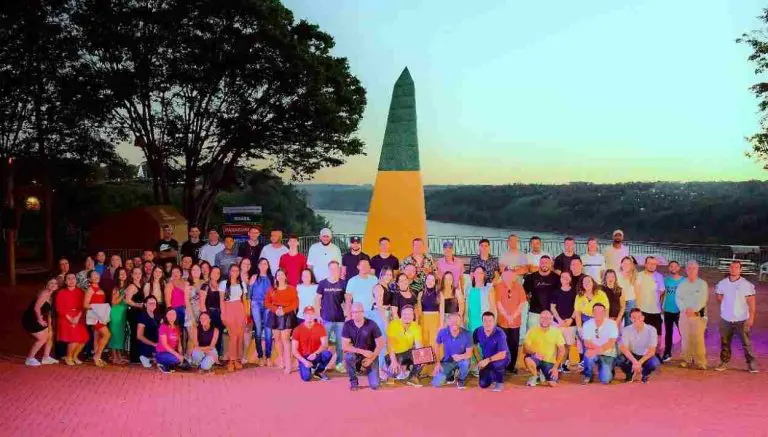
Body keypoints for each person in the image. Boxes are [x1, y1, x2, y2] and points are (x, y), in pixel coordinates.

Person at [714, 260, 758, 373]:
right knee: (725, 342)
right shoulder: (722, 283)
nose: (733, 269)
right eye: (732, 267)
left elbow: (751, 302)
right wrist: (726, 306)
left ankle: (751, 363)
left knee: (746, 343)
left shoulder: (746, 284)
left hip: (742, 319)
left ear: (740, 270)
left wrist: (751, 317)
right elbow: (718, 296)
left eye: (736, 267)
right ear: (729, 269)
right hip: (726, 319)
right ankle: (724, 361)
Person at [342, 302, 385, 391]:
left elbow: (380, 343)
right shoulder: (347, 325)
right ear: (351, 313)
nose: (357, 314)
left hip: (370, 355)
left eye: (360, 311)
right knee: (348, 357)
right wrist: (363, 351)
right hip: (356, 354)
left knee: (375, 385)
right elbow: (345, 346)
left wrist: (371, 359)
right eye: (354, 312)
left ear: (363, 312)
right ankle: (354, 381)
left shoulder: (372, 324)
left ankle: (367, 369)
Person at [675, 261, 709, 370]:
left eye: (694, 268)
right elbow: (678, 298)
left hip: (698, 315)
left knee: (698, 338)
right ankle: (686, 359)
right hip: (684, 315)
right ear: (686, 270)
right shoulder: (682, 284)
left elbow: (703, 299)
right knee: (686, 338)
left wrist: (694, 310)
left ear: (697, 270)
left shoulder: (702, 284)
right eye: (689, 268)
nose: (691, 270)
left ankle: (701, 361)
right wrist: (685, 309)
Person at [315, 261, 348, 371]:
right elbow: (317, 300)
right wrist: (318, 315)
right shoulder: (322, 283)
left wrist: (347, 314)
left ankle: (339, 364)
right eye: (332, 268)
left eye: (336, 268)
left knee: (340, 344)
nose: (334, 270)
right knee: (324, 344)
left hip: (340, 320)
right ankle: (321, 365)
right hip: (326, 319)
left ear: (339, 270)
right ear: (328, 270)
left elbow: (347, 301)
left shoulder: (343, 283)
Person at [265, 269, 299, 374]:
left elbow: (295, 303)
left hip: (287, 315)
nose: (280, 276)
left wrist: (284, 310)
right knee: (277, 339)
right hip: (274, 314)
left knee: (285, 339)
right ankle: (281, 360)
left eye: (282, 274)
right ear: (276, 277)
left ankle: (288, 365)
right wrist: (275, 310)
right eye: (278, 275)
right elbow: (266, 302)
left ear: (285, 277)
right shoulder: (271, 289)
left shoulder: (292, 289)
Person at [495, 268, 526, 374]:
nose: (509, 276)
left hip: (515, 322)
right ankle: (502, 366)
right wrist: (507, 316)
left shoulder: (519, 286)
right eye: (507, 274)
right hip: (502, 321)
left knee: (514, 344)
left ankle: (511, 366)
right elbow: (498, 303)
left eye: (511, 274)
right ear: (503, 275)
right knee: (502, 345)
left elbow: (522, 303)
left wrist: (513, 316)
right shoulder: (499, 286)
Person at [617, 308, 661, 383]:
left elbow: (652, 351)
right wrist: (634, 361)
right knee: (619, 359)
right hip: (632, 355)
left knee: (655, 363)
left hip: (645, 355)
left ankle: (644, 373)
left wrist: (639, 362)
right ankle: (629, 373)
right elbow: (624, 348)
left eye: (639, 317)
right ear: (630, 319)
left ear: (643, 318)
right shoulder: (626, 329)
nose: (636, 319)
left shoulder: (651, 330)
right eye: (633, 317)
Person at [523, 310, 565, 387]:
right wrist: (534, 353)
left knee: (553, 384)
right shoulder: (532, 331)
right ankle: (535, 376)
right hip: (536, 359)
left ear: (551, 319)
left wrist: (555, 367)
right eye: (542, 317)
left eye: (547, 318)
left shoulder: (557, 332)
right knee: (528, 359)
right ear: (539, 319)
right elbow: (525, 348)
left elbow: (562, 350)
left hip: (549, 362)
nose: (545, 320)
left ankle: (543, 374)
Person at [22, 278, 59, 366]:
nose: (53, 285)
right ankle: (30, 358)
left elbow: (49, 312)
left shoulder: (51, 295)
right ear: (46, 285)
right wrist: (40, 320)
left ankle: (46, 357)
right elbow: (36, 308)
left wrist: (50, 326)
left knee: (50, 335)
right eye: (51, 283)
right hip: (31, 319)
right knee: (42, 338)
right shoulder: (44, 293)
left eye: (55, 283)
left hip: (37, 317)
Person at [431, 313, 474, 389]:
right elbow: (436, 346)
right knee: (436, 383)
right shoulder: (442, 332)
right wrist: (437, 363)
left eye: (457, 320)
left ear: (460, 321)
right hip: (448, 361)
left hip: (462, 360)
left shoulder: (467, 334)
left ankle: (461, 379)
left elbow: (469, 354)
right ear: (448, 322)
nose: (454, 323)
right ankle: (451, 375)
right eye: (452, 321)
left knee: (465, 363)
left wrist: (460, 357)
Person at [384, 305, 424, 386]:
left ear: (413, 316)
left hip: (407, 353)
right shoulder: (393, 324)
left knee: (423, 355)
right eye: (405, 314)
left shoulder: (416, 327)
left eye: (409, 314)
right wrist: (393, 361)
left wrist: (422, 357)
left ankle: (412, 377)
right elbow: (389, 345)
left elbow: (418, 345)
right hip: (393, 354)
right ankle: (390, 369)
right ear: (401, 314)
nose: (407, 316)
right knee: (394, 373)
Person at [292, 306, 333, 382]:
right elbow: (294, 350)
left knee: (327, 354)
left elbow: (325, 345)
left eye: (311, 314)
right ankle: (307, 367)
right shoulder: (297, 329)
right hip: (304, 357)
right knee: (306, 378)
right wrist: (304, 361)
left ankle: (319, 371)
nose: (309, 316)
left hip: (316, 354)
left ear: (314, 315)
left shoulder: (320, 327)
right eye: (307, 314)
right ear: (304, 315)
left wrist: (316, 353)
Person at [581, 303, 619, 384]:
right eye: (596, 311)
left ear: (604, 312)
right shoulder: (587, 324)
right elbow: (586, 342)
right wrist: (596, 350)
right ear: (592, 312)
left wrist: (597, 350)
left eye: (601, 312)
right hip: (593, 350)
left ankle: (608, 368)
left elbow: (612, 342)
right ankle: (588, 375)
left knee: (606, 380)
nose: (598, 313)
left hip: (607, 352)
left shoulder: (612, 324)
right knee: (588, 355)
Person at [56, 273, 89, 365]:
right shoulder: (61, 292)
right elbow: (59, 308)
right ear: (65, 282)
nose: (71, 280)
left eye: (73, 278)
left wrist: (77, 317)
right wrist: (70, 319)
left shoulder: (81, 292)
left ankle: (74, 356)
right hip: (66, 317)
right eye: (69, 278)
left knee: (84, 339)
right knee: (74, 338)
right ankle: (68, 357)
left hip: (78, 316)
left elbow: (83, 307)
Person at [220, 264, 248, 371]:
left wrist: (246, 314)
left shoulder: (242, 284)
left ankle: (237, 359)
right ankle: (231, 360)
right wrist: (223, 314)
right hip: (228, 309)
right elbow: (221, 301)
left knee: (240, 336)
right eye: (233, 270)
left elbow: (244, 300)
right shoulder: (223, 283)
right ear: (229, 271)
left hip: (240, 309)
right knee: (233, 336)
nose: (235, 272)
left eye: (237, 270)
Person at [473, 312, 510, 392]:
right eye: (485, 321)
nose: (487, 323)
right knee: (483, 384)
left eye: (490, 321)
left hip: (502, 358)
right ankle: (494, 375)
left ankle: (499, 382)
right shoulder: (478, 331)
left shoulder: (500, 333)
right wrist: (479, 361)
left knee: (497, 365)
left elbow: (502, 354)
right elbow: (474, 346)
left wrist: (487, 360)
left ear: (494, 322)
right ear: (482, 322)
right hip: (487, 358)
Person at [550, 270, 577, 373]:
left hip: (570, 323)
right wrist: (559, 320)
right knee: (558, 345)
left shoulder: (575, 292)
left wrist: (571, 319)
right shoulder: (556, 292)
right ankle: (555, 365)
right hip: (558, 323)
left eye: (566, 277)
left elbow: (577, 308)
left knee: (568, 345)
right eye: (562, 277)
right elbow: (552, 307)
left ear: (570, 279)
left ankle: (564, 365)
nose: (564, 279)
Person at [522, 256, 559, 331]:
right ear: (539, 264)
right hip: (534, 313)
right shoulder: (530, 277)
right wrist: (528, 299)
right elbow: (523, 292)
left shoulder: (557, 278)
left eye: (547, 263)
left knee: (550, 337)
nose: (544, 264)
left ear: (551, 264)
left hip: (551, 314)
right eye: (542, 262)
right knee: (533, 335)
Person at [636, 256, 664, 355]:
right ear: (645, 264)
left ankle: (656, 354)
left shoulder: (659, 277)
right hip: (642, 310)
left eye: (654, 264)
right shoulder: (639, 275)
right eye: (650, 263)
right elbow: (637, 292)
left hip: (656, 311)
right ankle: (641, 355)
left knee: (657, 336)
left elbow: (661, 292)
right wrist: (638, 309)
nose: (652, 266)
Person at [249, 258, 274, 366]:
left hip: (268, 305)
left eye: (265, 264)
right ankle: (260, 356)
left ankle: (268, 356)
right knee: (258, 330)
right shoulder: (254, 277)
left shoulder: (271, 278)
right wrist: (249, 307)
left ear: (268, 266)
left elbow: (274, 293)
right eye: (261, 264)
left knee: (268, 331)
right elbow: (249, 293)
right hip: (256, 304)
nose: (263, 266)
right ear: (258, 266)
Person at [370, 266, 394, 377]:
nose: (388, 277)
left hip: (386, 314)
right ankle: (379, 370)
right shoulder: (378, 287)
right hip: (379, 315)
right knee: (381, 343)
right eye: (386, 274)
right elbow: (379, 306)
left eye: (390, 275)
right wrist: (385, 321)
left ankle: (382, 367)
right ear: (382, 275)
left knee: (385, 343)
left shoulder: (387, 286)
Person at [84, 271, 111, 367]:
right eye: (93, 275)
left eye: (97, 274)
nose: (96, 276)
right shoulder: (90, 289)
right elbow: (85, 305)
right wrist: (98, 308)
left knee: (97, 336)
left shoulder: (99, 288)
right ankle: (97, 355)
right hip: (94, 315)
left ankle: (97, 358)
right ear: (89, 279)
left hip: (100, 315)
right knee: (107, 335)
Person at [661, 260, 685, 362]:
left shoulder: (684, 280)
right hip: (668, 309)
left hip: (680, 311)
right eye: (671, 266)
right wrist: (661, 306)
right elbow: (663, 293)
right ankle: (667, 353)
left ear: (679, 267)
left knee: (684, 333)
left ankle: (688, 354)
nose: (673, 268)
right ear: (669, 268)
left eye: (675, 266)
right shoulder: (666, 280)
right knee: (668, 333)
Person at [417, 273, 441, 371]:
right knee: (424, 342)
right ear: (425, 281)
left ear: (435, 282)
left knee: (434, 343)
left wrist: (441, 324)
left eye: (432, 280)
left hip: (435, 319)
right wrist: (418, 322)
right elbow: (419, 309)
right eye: (428, 279)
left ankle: (435, 368)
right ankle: (425, 369)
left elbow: (442, 310)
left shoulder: (439, 294)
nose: (430, 282)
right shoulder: (421, 293)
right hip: (423, 319)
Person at [125, 267, 148, 364]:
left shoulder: (141, 285)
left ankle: (138, 355)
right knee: (135, 334)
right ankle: (134, 358)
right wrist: (138, 305)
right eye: (135, 273)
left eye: (139, 273)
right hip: (133, 313)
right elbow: (127, 300)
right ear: (131, 275)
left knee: (140, 334)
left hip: (140, 313)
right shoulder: (132, 286)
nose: (138, 275)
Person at [200, 266, 224, 357]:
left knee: (219, 334)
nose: (216, 274)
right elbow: (202, 303)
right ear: (210, 273)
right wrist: (205, 317)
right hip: (209, 314)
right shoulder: (205, 286)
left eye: (218, 273)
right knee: (209, 335)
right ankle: (207, 356)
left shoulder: (221, 286)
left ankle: (217, 355)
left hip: (219, 314)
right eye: (214, 272)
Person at [164, 266, 190, 348]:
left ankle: (187, 351)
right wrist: (171, 315)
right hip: (175, 311)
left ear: (181, 273)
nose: (175, 274)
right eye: (173, 272)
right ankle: (177, 350)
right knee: (177, 333)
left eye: (177, 272)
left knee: (189, 332)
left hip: (187, 310)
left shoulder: (186, 283)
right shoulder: (169, 285)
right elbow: (168, 302)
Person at [466, 266, 497, 335]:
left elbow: (492, 307)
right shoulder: (469, 287)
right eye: (477, 273)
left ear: (484, 275)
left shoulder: (489, 288)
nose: (478, 275)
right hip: (470, 320)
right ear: (473, 274)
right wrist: (465, 316)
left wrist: (488, 322)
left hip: (483, 320)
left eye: (481, 273)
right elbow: (466, 303)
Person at [108, 267, 129, 364]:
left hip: (122, 313)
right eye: (121, 274)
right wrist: (123, 294)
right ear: (117, 276)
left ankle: (119, 356)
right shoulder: (116, 288)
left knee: (120, 335)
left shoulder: (126, 286)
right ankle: (114, 358)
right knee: (115, 335)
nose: (123, 275)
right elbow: (114, 302)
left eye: (124, 273)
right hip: (116, 313)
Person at [156, 308, 184, 373]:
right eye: (170, 314)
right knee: (177, 360)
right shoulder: (163, 327)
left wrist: (181, 355)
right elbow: (165, 345)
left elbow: (179, 344)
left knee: (186, 365)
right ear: (166, 316)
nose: (172, 316)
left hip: (171, 353)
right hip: (162, 353)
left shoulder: (177, 327)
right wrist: (177, 355)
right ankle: (161, 364)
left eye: (174, 314)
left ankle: (168, 364)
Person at [137, 296, 160, 368]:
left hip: (156, 344)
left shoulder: (157, 316)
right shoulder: (142, 317)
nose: (152, 305)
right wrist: (154, 344)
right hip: (146, 345)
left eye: (154, 303)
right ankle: (146, 357)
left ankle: (152, 359)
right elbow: (139, 336)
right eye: (150, 303)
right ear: (145, 304)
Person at [617, 256, 639, 325]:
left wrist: (637, 305)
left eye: (628, 264)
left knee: (629, 325)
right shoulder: (616, 275)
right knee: (617, 324)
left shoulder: (635, 276)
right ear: (621, 264)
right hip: (619, 302)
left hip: (630, 302)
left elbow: (637, 292)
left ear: (631, 265)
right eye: (624, 263)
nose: (626, 265)